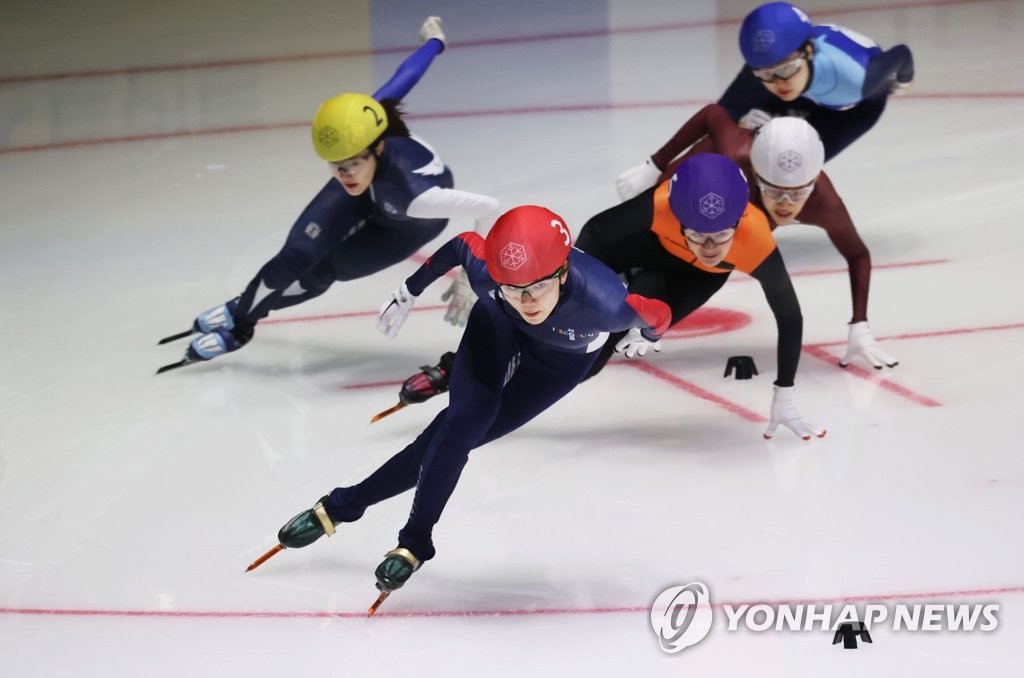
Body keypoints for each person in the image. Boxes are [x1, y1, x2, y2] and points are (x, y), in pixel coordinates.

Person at [252, 206, 671, 609]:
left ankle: (343, 506)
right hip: (498, 326)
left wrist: (650, 335)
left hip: (560, 362)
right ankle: (413, 542)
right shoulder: (491, 277)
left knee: (448, 436)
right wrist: (408, 289)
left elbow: (659, 312)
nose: (527, 300)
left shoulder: (607, 304)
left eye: (538, 286)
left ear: (562, 271)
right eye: (514, 288)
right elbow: (461, 245)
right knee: (462, 425)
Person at [164, 17, 497, 368]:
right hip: (372, 193)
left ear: (378, 148)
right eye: (335, 165)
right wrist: (434, 42)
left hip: (406, 224)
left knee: (322, 272)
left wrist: (468, 274)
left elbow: (488, 207)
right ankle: (242, 322)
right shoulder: (363, 126)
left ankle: (240, 313)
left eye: (352, 163)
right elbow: (405, 76)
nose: (344, 174)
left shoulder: (417, 196)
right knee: (293, 257)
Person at [615, 104, 897, 369]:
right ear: (755, 174)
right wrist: (654, 165)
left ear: (812, 184)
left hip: (720, 228)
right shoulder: (735, 155)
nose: (785, 205)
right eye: (774, 191)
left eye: (798, 193)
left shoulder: (824, 203)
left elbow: (857, 253)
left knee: (704, 269)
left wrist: (860, 323)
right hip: (684, 188)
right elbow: (712, 115)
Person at [578, 153, 826, 440]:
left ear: (738, 221)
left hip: (694, 278)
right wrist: (579, 286)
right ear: (679, 220)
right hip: (643, 248)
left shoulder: (754, 239)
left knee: (606, 343)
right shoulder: (661, 205)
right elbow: (595, 232)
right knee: (577, 318)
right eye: (697, 234)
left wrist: (785, 392)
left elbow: (789, 316)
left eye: (721, 235)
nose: (709, 247)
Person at [714, 1, 914, 162]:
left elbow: (902, 54)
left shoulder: (857, 78)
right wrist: (738, 125)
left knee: (791, 166)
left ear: (808, 51)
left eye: (785, 68)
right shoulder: (764, 66)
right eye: (766, 74)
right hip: (806, 84)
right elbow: (721, 116)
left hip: (851, 110)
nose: (778, 83)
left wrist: (904, 80)